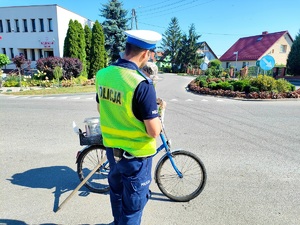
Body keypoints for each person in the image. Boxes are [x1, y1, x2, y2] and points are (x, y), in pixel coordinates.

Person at [95, 29, 162, 225]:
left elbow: (101, 109)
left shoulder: (103, 75)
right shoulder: (142, 84)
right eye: (150, 54)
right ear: (145, 54)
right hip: (135, 158)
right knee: (132, 208)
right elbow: (154, 131)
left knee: (117, 195)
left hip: (112, 152)